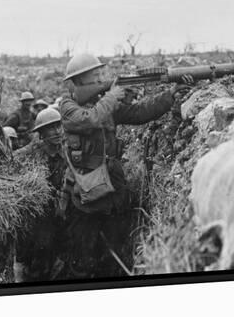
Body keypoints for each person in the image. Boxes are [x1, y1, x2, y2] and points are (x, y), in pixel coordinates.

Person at [59, 53, 193, 278]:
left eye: (101, 75)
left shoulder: (105, 103)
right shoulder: (68, 107)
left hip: (112, 191)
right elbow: (90, 119)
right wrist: (111, 96)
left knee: (115, 255)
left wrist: (170, 95)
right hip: (84, 194)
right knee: (82, 259)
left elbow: (139, 112)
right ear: (79, 81)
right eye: (96, 77)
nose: (101, 79)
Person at [14, 108, 67, 281]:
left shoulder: (65, 153)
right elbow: (12, 164)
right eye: (51, 128)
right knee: (34, 256)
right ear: (41, 133)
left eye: (58, 126)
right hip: (35, 216)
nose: (57, 131)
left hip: (58, 213)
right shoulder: (29, 153)